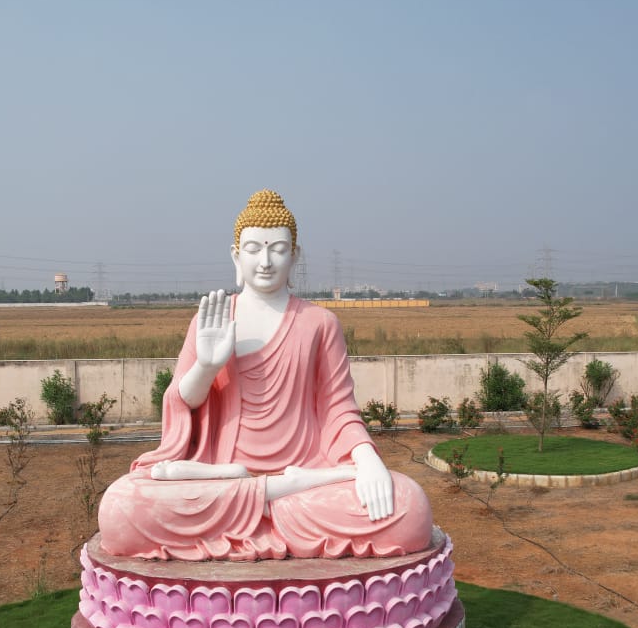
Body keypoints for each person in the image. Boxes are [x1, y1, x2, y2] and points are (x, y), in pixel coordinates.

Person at [97, 190, 433, 561]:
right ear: (235, 255)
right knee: (120, 507)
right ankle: (269, 495)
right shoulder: (211, 321)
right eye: (254, 248)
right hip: (225, 474)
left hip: (303, 475)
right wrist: (207, 365)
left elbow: (339, 409)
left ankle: (270, 498)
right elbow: (183, 401)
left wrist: (369, 462)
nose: (266, 261)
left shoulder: (319, 323)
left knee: (409, 507)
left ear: (295, 256)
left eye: (278, 249)